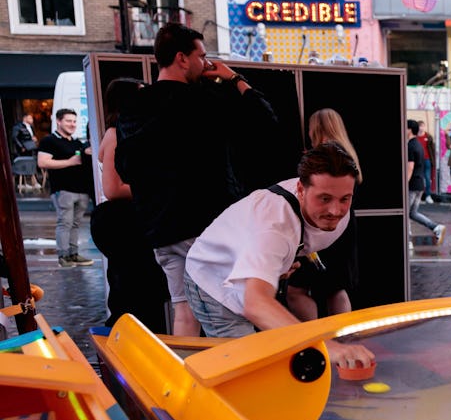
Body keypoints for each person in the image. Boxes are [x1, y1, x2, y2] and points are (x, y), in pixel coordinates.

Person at [116, 22, 276, 336]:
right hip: (205, 229)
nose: (206, 63)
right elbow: (264, 119)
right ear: (182, 58)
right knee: (229, 316)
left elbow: (126, 168)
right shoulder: (205, 101)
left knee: (184, 312)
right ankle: (235, 380)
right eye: (201, 56)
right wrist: (234, 78)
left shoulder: (134, 106)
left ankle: (182, 380)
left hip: (161, 231)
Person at [183, 143, 372, 368]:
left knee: (269, 357)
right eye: (324, 199)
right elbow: (255, 304)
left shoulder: (336, 213)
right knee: (245, 368)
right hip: (212, 279)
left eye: (345, 199)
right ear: (300, 190)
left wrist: (277, 264)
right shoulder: (274, 227)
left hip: (247, 268)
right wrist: (329, 347)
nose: (335, 211)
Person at [92, 77, 170, 331]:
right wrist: (155, 189)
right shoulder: (115, 135)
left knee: (138, 291)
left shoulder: (126, 133)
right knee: (134, 292)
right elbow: (113, 188)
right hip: (124, 223)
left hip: (128, 221)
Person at [286, 108, 361, 321]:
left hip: (321, 227)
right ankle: (342, 339)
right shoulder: (346, 153)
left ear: (316, 128)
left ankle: (315, 337)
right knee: (336, 288)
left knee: (296, 291)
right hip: (342, 225)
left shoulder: (322, 156)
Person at [37, 108, 95, 268]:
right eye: (69, 121)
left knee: (75, 224)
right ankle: (63, 256)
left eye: (75, 121)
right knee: (65, 223)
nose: (72, 124)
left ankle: (73, 254)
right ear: (59, 121)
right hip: (63, 190)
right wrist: (70, 162)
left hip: (81, 190)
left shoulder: (76, 142)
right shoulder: (49, 141)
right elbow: (42, 162)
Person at [406, 119, 445, 245]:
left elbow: (410, 167)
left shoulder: (410, 146)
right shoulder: (417, 144)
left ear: (409, 130)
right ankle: (435, 227)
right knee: (412, 213)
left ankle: (408, 240)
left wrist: (404, 183)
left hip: (412, 185)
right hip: (419, 184)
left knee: (405, 213)